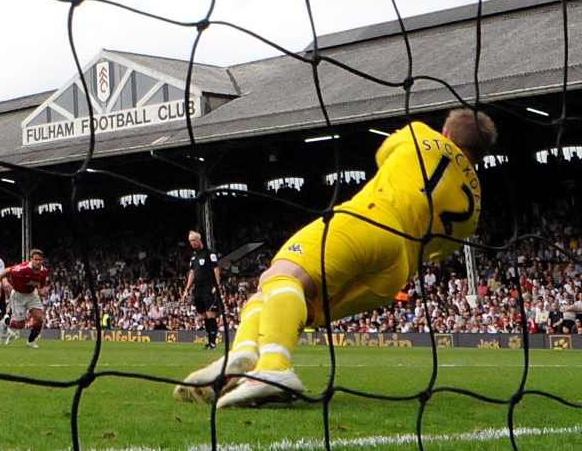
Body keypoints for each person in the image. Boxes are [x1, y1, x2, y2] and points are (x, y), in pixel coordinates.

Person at [180, 108, 497, 408]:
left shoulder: (420, 135)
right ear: (481, 154)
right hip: (397, 269)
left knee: (280, 276)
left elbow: (383, 154)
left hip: (372, 220)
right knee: (290, 300)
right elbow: (440, 250)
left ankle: (272, 367)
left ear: (446, 130)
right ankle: (244, 354)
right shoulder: (476, 208)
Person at [0, 249, 50, 349]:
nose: (38, 262)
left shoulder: (44, 271)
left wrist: (43, 290)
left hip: (32, 295)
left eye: (40, 260)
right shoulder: (22, 268)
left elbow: (43, 283)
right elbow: (6, 271)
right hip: (18, 296)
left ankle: (31, 342)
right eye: (36, 259)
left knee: (40, 319)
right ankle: (6, 322)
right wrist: (0, 284)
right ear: (31, 259)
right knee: (20, 325)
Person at [182, 230, 222, 350]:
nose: (192, 243)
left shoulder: (209, 254)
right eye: (190, 241)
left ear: (200, 240)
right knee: (203, 315)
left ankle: (213, 342)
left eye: (194, 240)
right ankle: (209, 341)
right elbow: (192, 273)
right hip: (197, 288)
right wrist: (187, 289)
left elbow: (216, 269)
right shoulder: (194, 256)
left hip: (208, 286)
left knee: (211, 314)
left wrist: (216, 284)